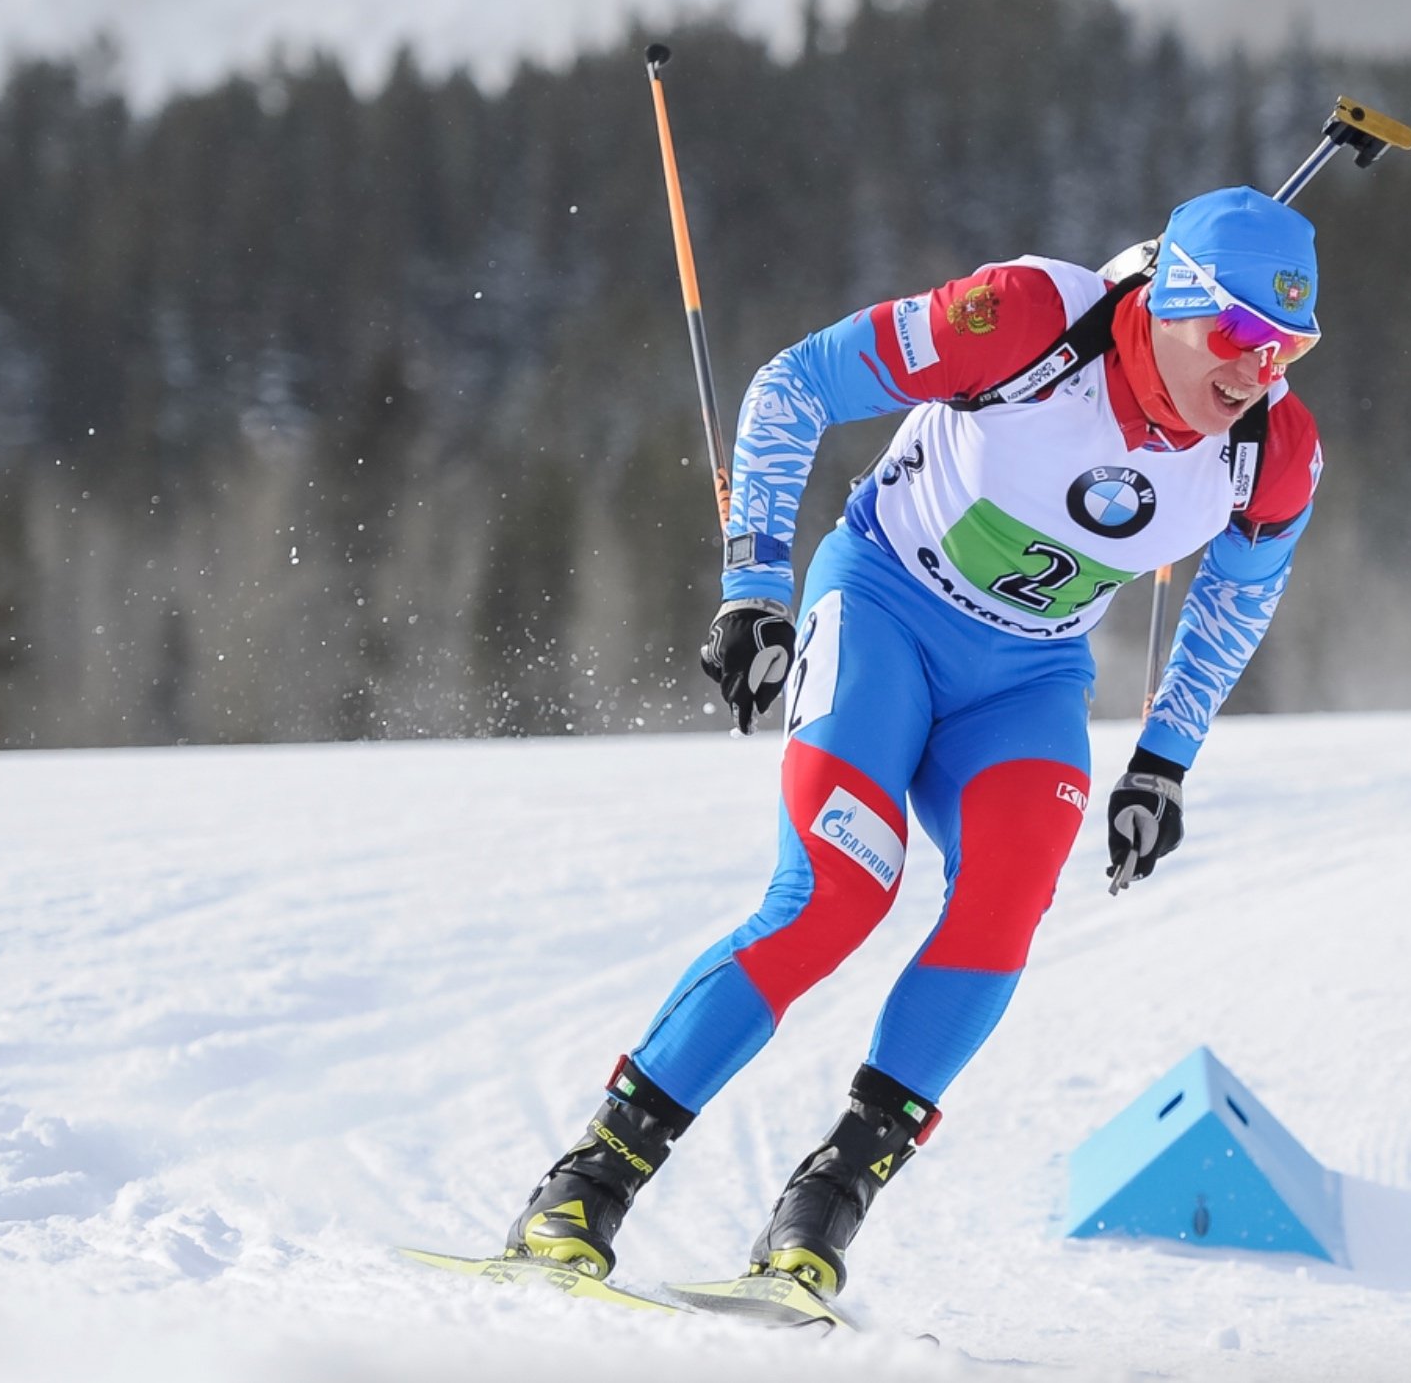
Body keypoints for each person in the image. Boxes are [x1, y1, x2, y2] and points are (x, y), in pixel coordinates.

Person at [503, 186, 1327, 1298]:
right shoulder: (1028, 322)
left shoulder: (1271, 450)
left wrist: (1163, 761)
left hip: (1027, 680)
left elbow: (1235, 601)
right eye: (1235, 332)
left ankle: (822, 1209)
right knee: (837, 889)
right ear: (1171, 299)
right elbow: (793, 383)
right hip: (886, 612)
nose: (1257, 370)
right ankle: (587, 1181)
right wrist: (754, 587)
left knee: (1003, 907)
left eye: (1288, 346)